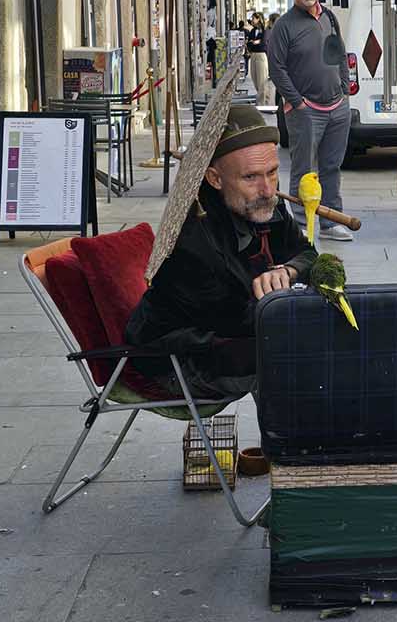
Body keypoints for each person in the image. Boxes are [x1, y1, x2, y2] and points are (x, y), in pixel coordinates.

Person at [125, 105, 317, 402]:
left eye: (273, 172)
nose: (267, 189)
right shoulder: (191, 243)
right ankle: (291, 446)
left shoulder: (265, 203)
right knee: (300, 356)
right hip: (181, 359)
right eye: (251, 177)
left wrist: (288, 271)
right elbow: (239, 322)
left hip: (231, 333)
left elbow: (307, 254)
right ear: (214, 179)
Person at [268, 0, 354, 242]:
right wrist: (298, 103)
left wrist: (344, 90)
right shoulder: (284, 25)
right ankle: (303, 223)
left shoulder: (328, 16)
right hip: (306, 110)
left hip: (336, 106)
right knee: (303, 168)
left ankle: (330, 221)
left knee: (331, 166)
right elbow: (277, 69)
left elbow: (339, 54)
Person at [246, 11, 270, 104]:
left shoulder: (264, 30)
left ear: (258, 19)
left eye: (253, 18)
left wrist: (255, 42)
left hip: (261, 55)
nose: (252, 20)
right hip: (253, 55)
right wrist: (254, 42)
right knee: (254, 78)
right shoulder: (252, 30)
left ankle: (262, 102)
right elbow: (249, 43)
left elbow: (263, 42)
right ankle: (264, 98)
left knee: (262, 79)